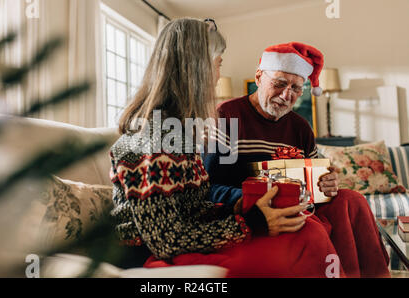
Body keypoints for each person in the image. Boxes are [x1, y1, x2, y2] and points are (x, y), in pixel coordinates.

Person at [109, 19, 348, 278]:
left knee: (321, 222)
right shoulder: (154, 139)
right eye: (218, 63)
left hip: (198, 236)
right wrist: (252, 222)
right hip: (151, 255)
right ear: (196, 69)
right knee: (301, 239)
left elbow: (194, 207)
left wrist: (245, 209)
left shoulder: (179, 132)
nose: (218, 75)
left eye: (296, 88)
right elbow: (168, 240)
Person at [204, 42, 390, 278]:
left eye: (296, 88)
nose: (286, 95)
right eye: (279, 84)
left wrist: (326, 182)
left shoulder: (300, 126)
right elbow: (211, 187)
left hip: (300, 202)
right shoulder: (227, 116)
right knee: (308, 225)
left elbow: (316, 176)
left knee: (352, 200)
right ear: (259, 77)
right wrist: (250, 199)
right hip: (255, 209)